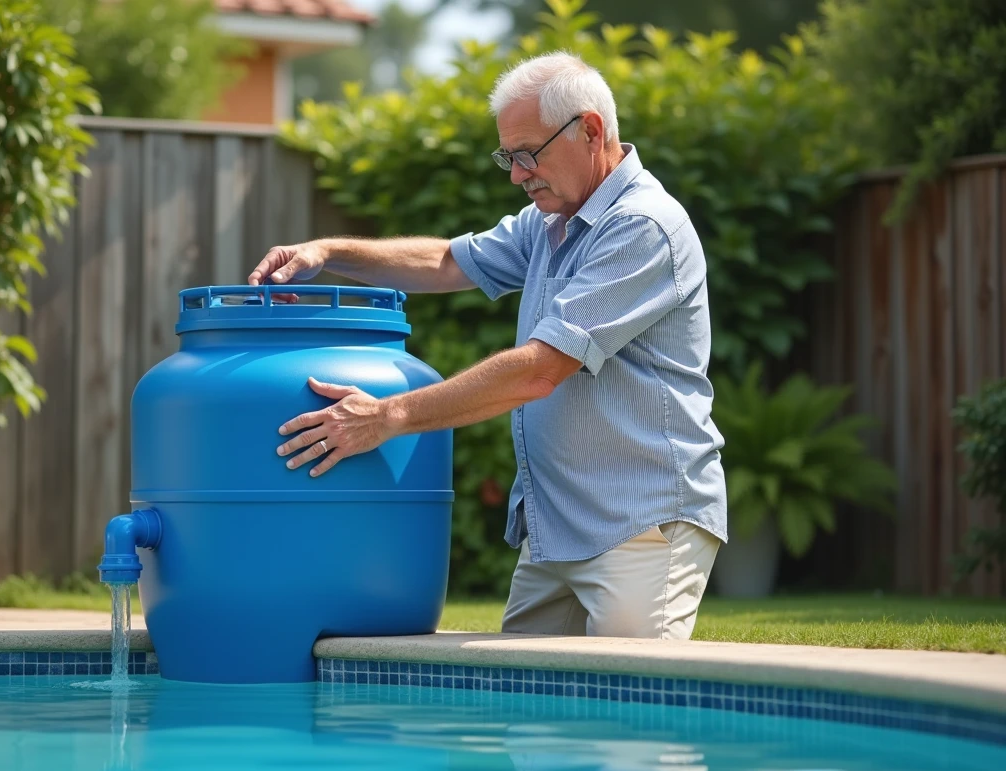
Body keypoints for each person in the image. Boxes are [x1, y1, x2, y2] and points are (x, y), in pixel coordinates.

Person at [247, 51, 727, 640]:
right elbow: (446, 261)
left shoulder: (642, 227)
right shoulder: (550, 223)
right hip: (558, 532)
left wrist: (388, 416)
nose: (516, 174)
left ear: (592, 130)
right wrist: (329, 252)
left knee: (633, 719)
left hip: (643, 527)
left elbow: (538, 372)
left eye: (528, 154)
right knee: (526, 719)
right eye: (509, 156)